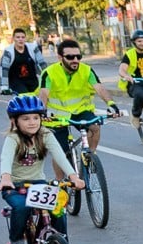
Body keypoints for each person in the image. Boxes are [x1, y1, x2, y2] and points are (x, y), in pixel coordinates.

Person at [0, 94, 84, 244]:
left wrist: (74, 177)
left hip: (38, 183)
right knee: (21, 207)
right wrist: (5, 178)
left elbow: (60, 156)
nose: (32, 122)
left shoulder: (45, 135)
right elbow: (5, 158)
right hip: (14, 185)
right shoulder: (13, 138)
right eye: (26, 118)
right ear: (15, 121)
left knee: (58, 209)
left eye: (36, 117)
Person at [38, 39, 120, 176]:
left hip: (80, 111)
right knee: (60, 152)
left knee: (94, 127)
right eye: (70, 57)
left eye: (78, 56)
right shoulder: (49, 72)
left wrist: (111, 105)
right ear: (60, 58)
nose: (75, 60)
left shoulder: (87, 70)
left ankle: (90, 157)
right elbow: (43, 94)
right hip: (57, 116)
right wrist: (42, 112)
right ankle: (61, 183)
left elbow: (99, 88)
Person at [118, 29, 143, 129]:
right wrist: (126, 76)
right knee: (141, 95)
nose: (142, 43)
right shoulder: (129, 54)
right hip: (135, 82)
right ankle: (135, 115)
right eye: (139, 41)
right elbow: (122, 69)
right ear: (134, 42)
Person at [0, 28, 47, 95]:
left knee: (37, 101)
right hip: (16, 82)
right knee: (25, 99)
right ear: (13, 39)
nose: (20, 39)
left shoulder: (33, 48)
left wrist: (48, 78)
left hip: (32, 80)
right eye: (18, 37)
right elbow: (4, 69)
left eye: (23, 37)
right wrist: (4, 87)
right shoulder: (8, 52)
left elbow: (42, 64)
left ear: (25, 38)